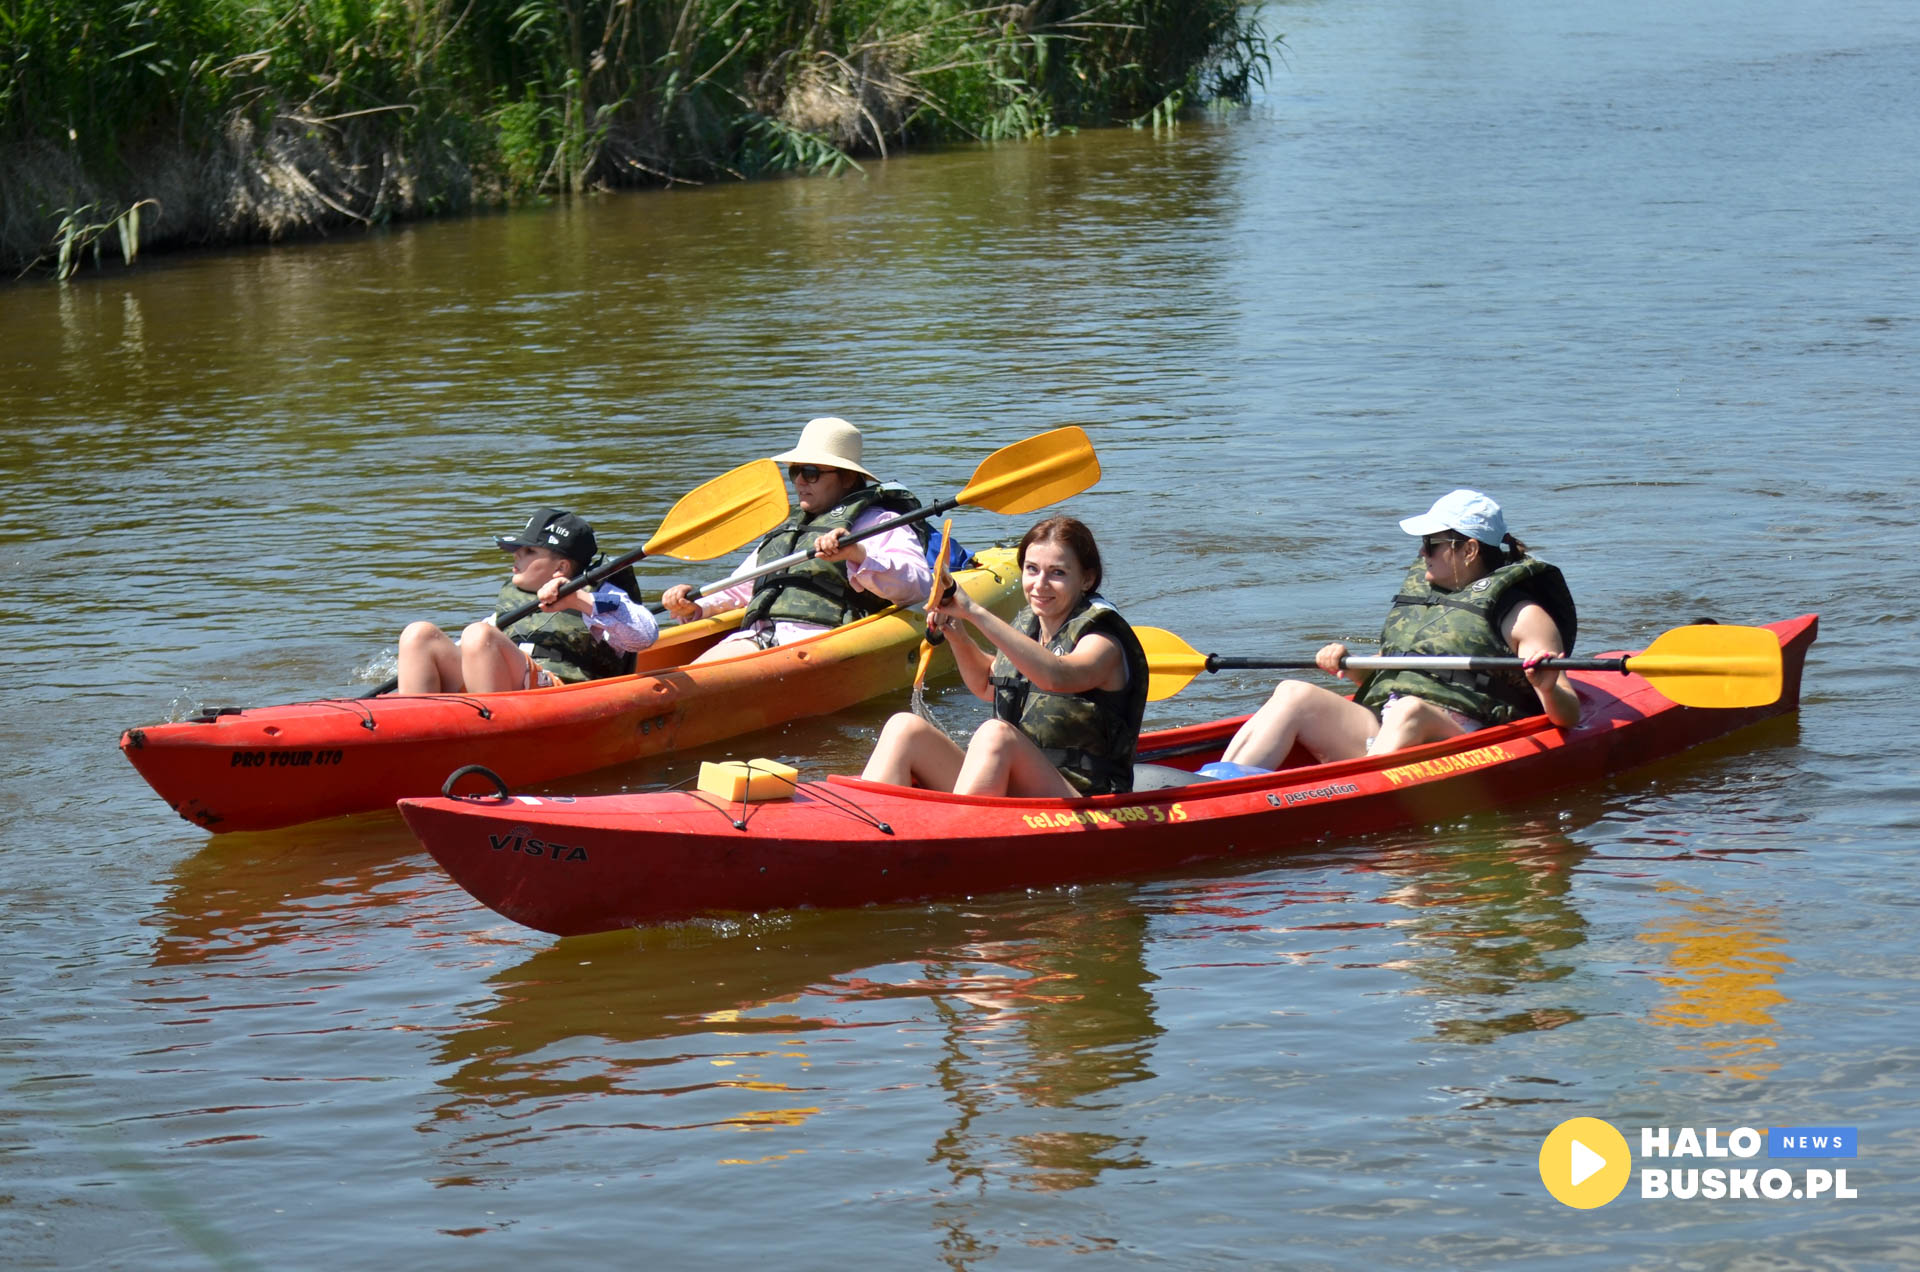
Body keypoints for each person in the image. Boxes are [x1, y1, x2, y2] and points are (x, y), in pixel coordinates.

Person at [1214, 489, 1579, 772]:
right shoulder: (1428, 598)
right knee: (1293, 692)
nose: (1423, 554)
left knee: (1409, 710)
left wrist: (1546, 687)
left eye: (1431, 544)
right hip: (1389, 728)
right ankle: (1221, 783)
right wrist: (1347, 664)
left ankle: (1357, 797)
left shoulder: (1525, 615)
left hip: (1462, 743)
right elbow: (1392, 671)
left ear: (1468, 549)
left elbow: (1568, 715)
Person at [861, 516, 1149, 798]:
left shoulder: (1102, 641)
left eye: (1057, 573)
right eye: (1032, 569)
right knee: (904, 728)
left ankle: (957, 837)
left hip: (1082, 798)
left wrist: (973, 611)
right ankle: (873, 835)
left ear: (1086, 579)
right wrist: (958, 635)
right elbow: (988, 685)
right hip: (1018, 784)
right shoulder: (1030, 624)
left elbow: (1056, 676)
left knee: (995, 734)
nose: (1040, 584)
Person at [660, 417, 933, 662]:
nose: (799, 481)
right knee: (691, 677)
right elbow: (737, 590)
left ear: (848, 477)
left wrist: (857, 554)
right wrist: (694, 604)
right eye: (794, 472)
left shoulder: (879, 523)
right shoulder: (790, 532)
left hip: (827, 644)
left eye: (811, 473)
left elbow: (918, 586)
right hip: (757, 639)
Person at [396, 508, 658, 694]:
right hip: (507, 685)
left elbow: (645, 635)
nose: (516, 555)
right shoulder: (515, 599)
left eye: (530, 551)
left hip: (562, 693)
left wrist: (578, 599)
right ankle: (407, 730)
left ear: (562, 567)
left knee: (479, 635)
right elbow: (468, 646)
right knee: (419, 635)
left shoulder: (599, 595)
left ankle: (489, 739)